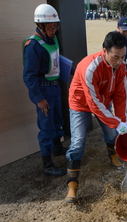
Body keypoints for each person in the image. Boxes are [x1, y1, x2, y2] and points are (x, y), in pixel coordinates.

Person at [65, 31, 127, 203]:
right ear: (104, 51)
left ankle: (112, 155)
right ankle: (72, 185)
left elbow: (121, 96)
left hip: (103, 101)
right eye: (115, 57)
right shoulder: (90, 67)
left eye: (123, 57)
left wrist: (122, 121)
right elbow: (92, 102)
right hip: (81, 103)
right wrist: (115, 121)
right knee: (78, 142)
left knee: (111, 133)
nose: (119, 62)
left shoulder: (122, 67)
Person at [22, 4, 67, 177]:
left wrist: (72, 69)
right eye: (49, 27)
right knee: (47, 127)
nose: (53, 30)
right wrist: (39, 99)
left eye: (55, 26)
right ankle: (47, 164)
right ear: (40, 26)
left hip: (54, 87)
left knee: (57, 120)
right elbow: (29, 76)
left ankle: (57, 147)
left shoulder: (53, 38)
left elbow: (56, 59)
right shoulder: (33, 45)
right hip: (43, 90)